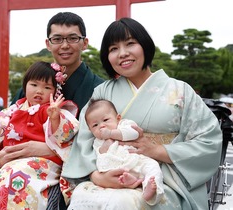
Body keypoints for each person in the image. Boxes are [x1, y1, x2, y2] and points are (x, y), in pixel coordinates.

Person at [62, 18, 222, 210]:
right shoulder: (102, 92)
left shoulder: (180, 91)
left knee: (123, 203)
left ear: (145, 45)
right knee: (81, 199)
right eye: (113, 49)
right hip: (109, 173)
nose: (122, 53)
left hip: (165, 179)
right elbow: (84, 141)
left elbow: (209, 142)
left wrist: (157, 151)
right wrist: (97, 175)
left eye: (130, 44)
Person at [0, 12, 104, 210]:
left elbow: (102, 140)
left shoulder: (98, 89)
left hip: (65, 178)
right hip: (15, 170)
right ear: (48, 44)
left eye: (73, 38)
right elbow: (5, 127)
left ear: (84, 42)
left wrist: (52, 150)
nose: (64, 45)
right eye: (57, 39)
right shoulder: (28, 89)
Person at [0, 61, 79, 209]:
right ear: (25, 85)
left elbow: (63, 136)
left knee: (19, 178)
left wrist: (55, 117)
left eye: (47, 87)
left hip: (43, 163)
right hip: (12, 163)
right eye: (34, 85)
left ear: (55, 91)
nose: (39, 91)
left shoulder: (52, 110)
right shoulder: (15, 108)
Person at [85, 98, 164, 205]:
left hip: (136, 159)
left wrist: (111, 134)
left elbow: (134, 133)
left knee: (152, 166)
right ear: (90, 130)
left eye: (105, 120)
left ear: (118, 118)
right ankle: (130, 180)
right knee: (115, 172)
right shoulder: (97, 141)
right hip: (116, 167)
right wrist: (105, 144)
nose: (101, 126)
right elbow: (100, 153)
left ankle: (150, 189)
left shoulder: (124, 124)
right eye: (95, 125)